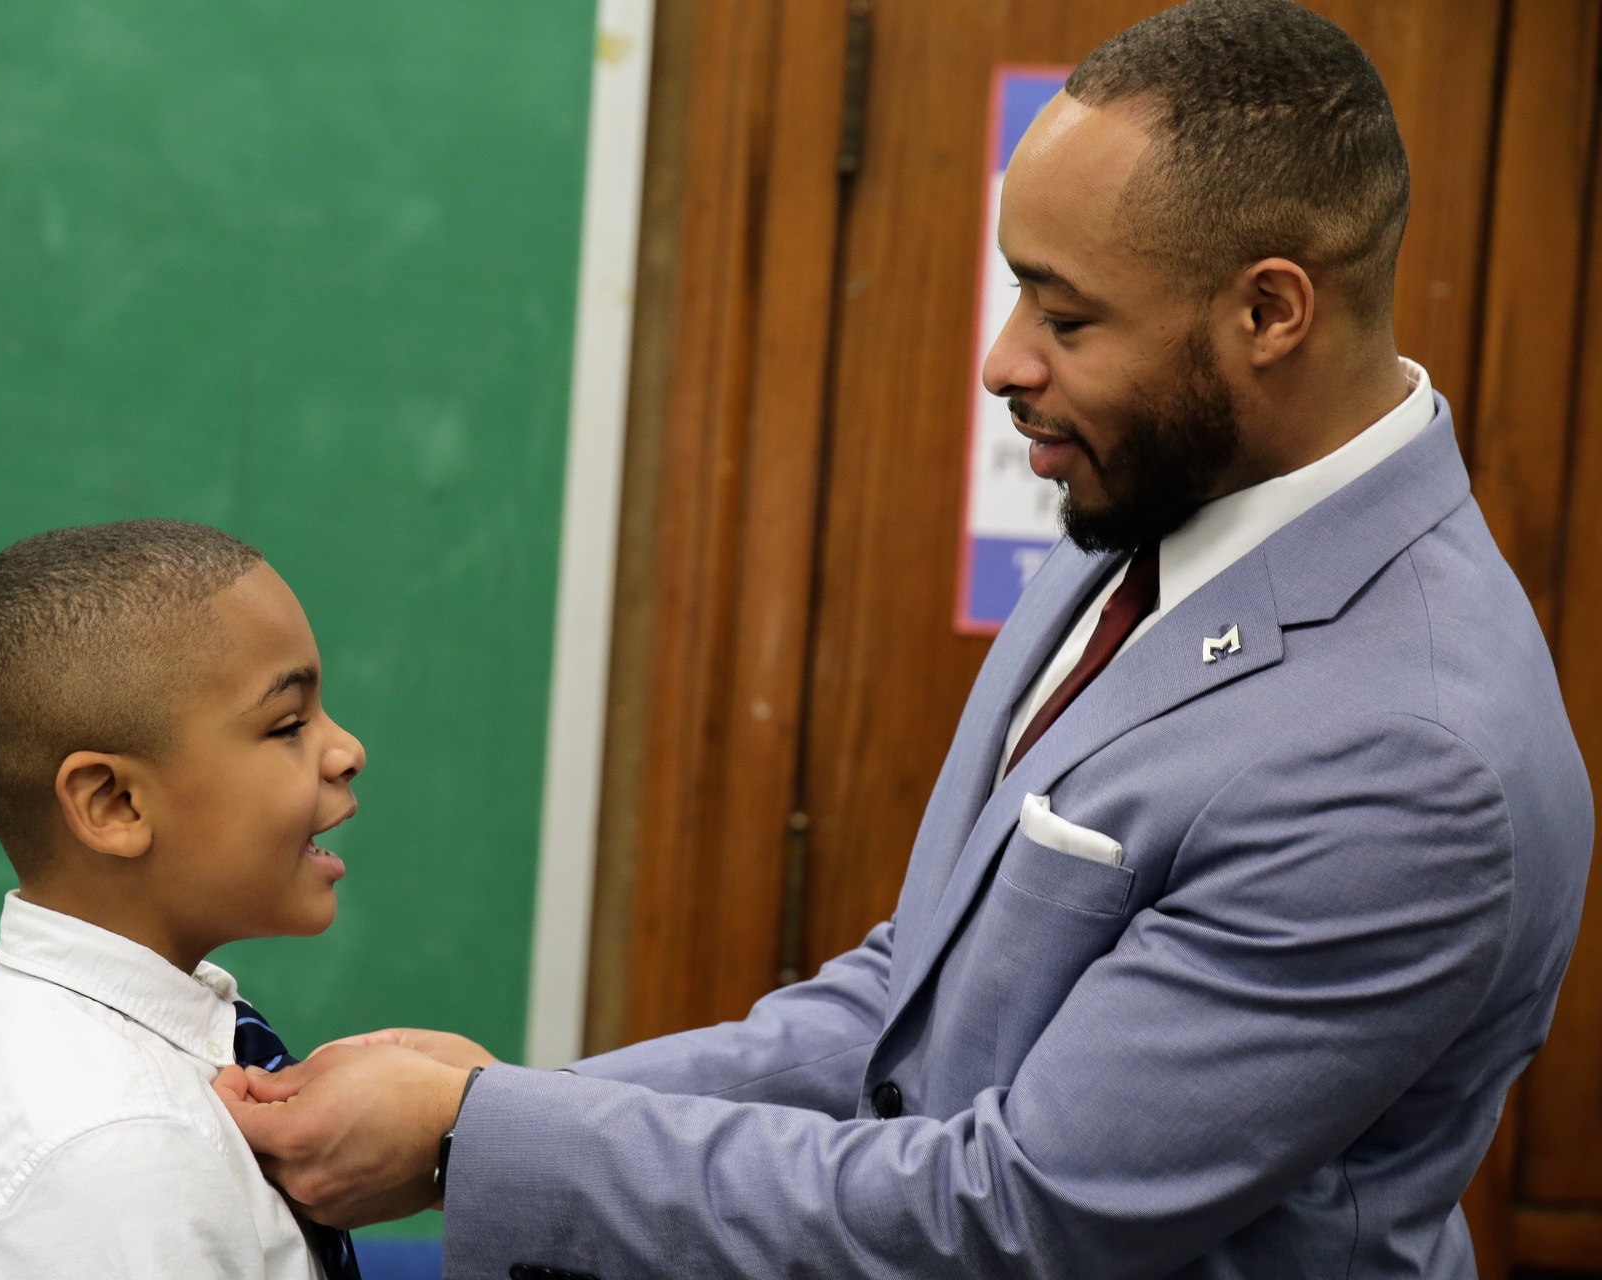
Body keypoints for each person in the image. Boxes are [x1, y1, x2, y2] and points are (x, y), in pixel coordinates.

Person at [217, 3, 1594, 1276]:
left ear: (1270, 311)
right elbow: (914, 1003)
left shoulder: (1410, 761)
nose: (1002, 361)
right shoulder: (1154, 508)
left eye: (1065, 314)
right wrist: (513, 1107)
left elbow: (1019, 1213)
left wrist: (474, 1139)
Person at [0, 520, 377, 1280]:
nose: (347, 750)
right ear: (115, 803)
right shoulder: (119, 1155)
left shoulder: (122, 1068)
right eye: (288, 723)